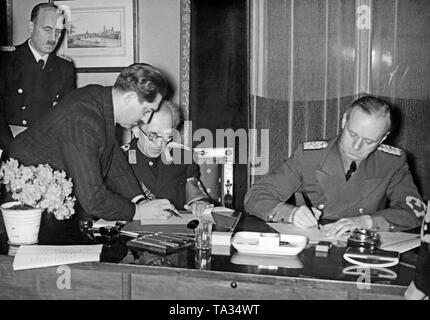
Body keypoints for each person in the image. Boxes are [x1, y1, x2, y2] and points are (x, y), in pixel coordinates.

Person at [8, 63, 175, 225]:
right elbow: (93, 199)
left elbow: (113, 157)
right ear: (130, 98)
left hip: (46, 194)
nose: (146, 119)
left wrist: (139, 200)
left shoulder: (100, 98)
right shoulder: (83, 120)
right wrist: (137, 212)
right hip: (20, 201)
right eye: (146, 111)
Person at [245, 95, 425, 237]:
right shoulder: (310, 156)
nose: (356, 147)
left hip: (362, 250)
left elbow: (414, 211)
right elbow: (255, 197)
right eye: (352, 134)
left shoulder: (392, 162)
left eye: (369, 141)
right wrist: (291, 214)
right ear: (344, 121)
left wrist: (367, 222)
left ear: (383, 138)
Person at [0, 2, 75, 153]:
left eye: (59, 31)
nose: (53, 38)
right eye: (47, 29)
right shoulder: (6, 60)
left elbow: (67, 116)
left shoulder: (64, 67)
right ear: (31, 27)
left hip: (48, 149)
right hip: (9, 147)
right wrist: (14, 149)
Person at [123, 100, 211, 216]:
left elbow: (194, 191)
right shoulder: (119, 159)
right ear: (136, 130)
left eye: (167, 136)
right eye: (152, 135)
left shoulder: (183, 157)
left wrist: (198, 203)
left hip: (176, 230)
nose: (160, 144)